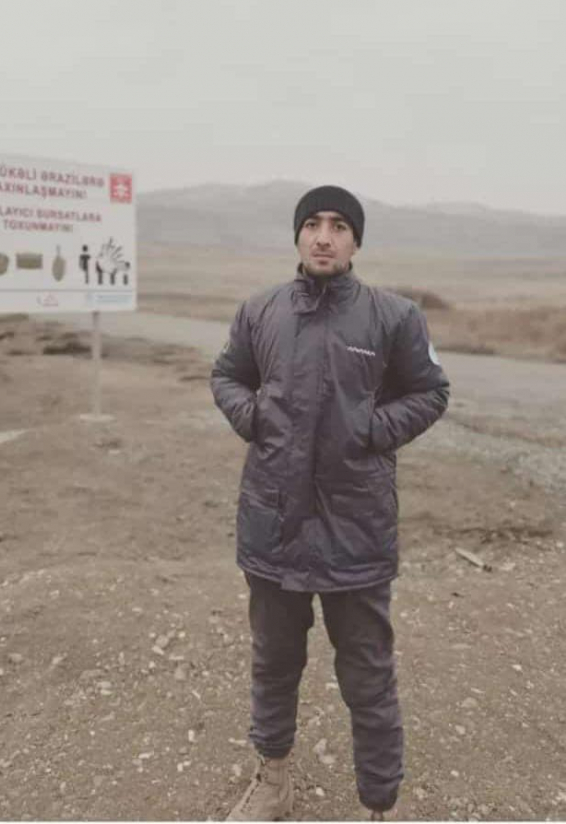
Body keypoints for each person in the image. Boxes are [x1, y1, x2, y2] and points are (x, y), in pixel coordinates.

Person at [210, 185, 450, 821]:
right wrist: (253, 415)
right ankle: (273, 781)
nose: (324, 236)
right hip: (273, 523)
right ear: (297, 235)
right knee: (274, 663)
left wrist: (373, 427)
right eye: (312, 223)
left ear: (356, 241)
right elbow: (227, 375)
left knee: (367, 675)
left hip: (357, 528)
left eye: (339, 225)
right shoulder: (260, 311)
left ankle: (379, 805)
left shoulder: (393, 316)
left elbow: (431, 391)